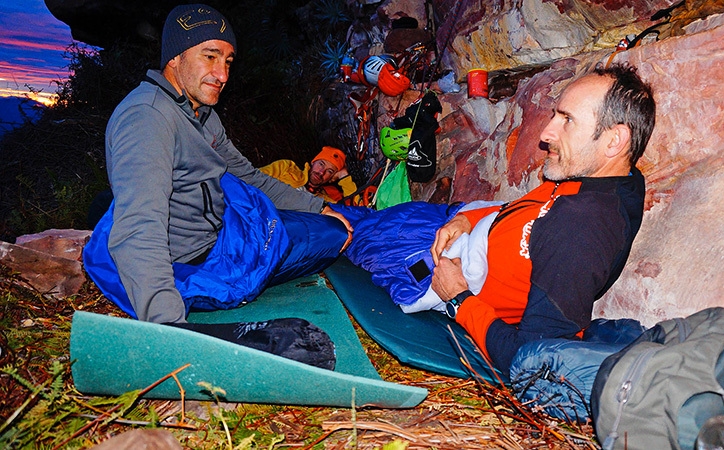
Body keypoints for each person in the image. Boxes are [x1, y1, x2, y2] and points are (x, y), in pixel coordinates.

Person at [333, 63, 655, 375]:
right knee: (374, 216)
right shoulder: (609, 178)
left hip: (451, 269)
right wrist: (467, 219)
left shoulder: (580, 232)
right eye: (555, 114)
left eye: (567, 119)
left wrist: (458, 298)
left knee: (344, 233)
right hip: (460, 222)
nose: (545, 134)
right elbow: (523, 207)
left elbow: (534, 362)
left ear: (614, 141)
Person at [82, 4, 353, 369]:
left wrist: (318, 206)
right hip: (195, 263)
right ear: (175, 58)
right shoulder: (147, 117)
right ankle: (236, 285)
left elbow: (249, 177)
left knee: (331, 229)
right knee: (327, 240)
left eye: (228, 61)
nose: (222, 73)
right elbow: (139, 223)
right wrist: (166, 327)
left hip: (227, 234)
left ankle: (268, 262)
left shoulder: (202, 115)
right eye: (210, 57)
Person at [260, 146, 357, 203]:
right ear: (312, 162)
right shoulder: (287, 167)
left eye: (329, 171)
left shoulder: (326, 201)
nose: (321, 172)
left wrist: (344, 177)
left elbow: (358, 211)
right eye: (321, 164)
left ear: (332, 178)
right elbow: (254, 178)